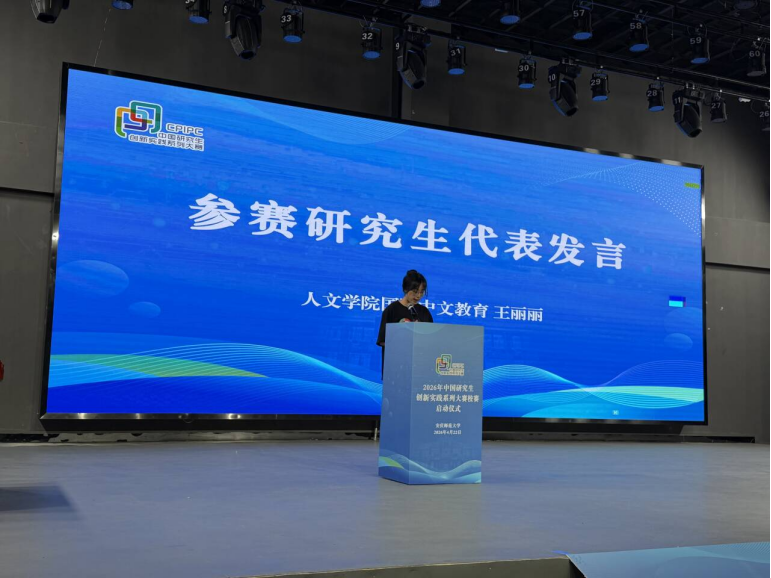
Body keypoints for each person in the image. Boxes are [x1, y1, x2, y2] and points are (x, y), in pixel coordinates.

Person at [376, 270, 434, 377]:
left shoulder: (424, 312)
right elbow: (382, 341)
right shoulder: (392, 310)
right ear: (405, 289)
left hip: (419, 369)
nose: (418, 296)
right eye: (415, 292)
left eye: (421, 292)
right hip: (396, 369)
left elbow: (431, 340)